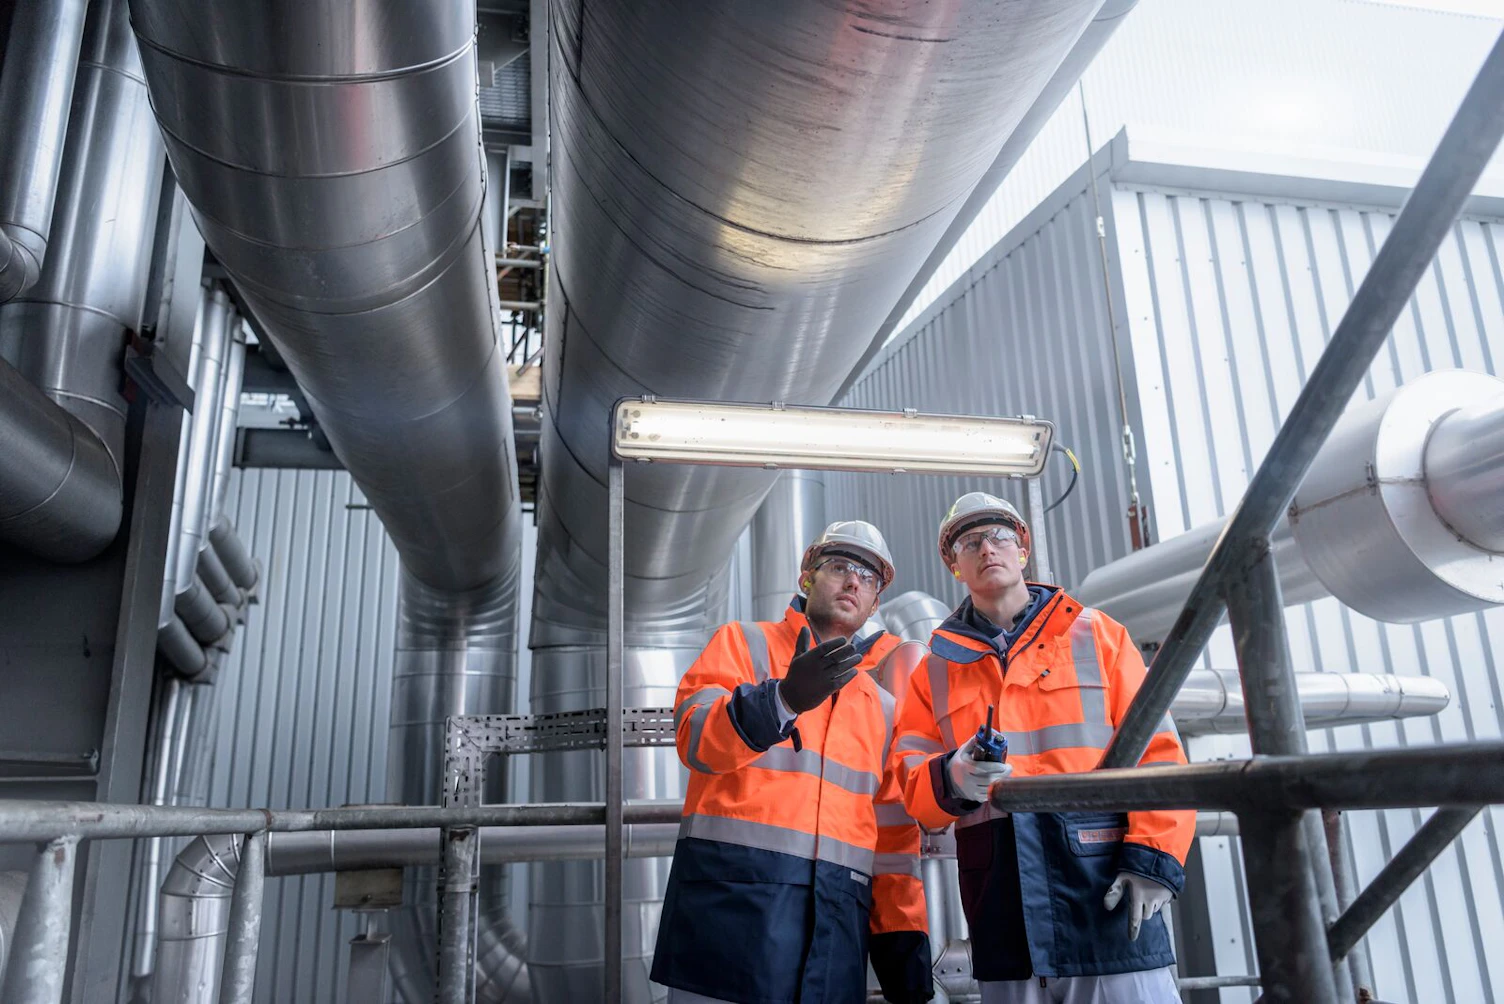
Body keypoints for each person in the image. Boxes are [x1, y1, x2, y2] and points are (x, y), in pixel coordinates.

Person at [890, 492, 1194, 1004]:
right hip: (1002, 908)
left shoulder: (1098, 636)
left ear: (1023, 549)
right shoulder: (933, 669)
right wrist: (953, 778)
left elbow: (1159, 752)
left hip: (1104, 897)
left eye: (1000, 536)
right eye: (969, 542)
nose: (987, 548)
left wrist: (1154, 859)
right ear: (954, 566)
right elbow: (910, 785)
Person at [652, 521, 933, 1004]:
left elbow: (893, 842)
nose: (853, 582)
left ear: (874, 605)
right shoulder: (743, 643)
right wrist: (780, 700)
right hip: (730, 916)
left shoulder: (882, 708)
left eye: (868, 578)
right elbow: (695, 740)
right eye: (840, 567)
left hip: (832, 930)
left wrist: (902, 954)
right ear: (807, 578)